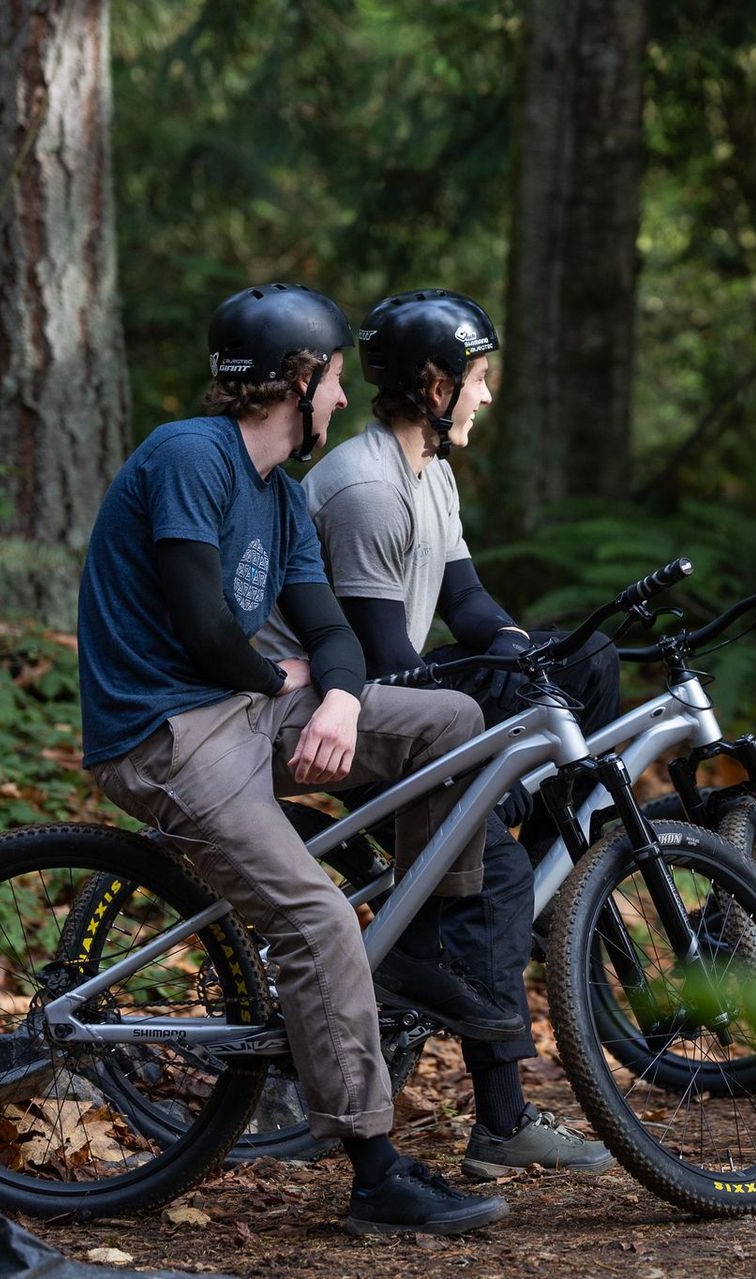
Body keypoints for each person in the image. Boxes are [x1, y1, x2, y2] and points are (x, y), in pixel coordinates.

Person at [77, 282, 516, 1235]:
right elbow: (201, 625)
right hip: (168, 732)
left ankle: (425, 942)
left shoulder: (279, 498)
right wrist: (285, 686)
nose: (344, 401)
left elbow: (332, 632)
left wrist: (345, 697)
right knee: (317, 918)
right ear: (297, 378)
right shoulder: (189, 455)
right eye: (331, 382)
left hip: (244, 708)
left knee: (449, 717)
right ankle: (375, 1171)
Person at [260, 287, 618, 1180]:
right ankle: (499, 1117)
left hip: (392, 699)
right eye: (480, 377)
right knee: (493, 873)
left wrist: (528, 655)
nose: (488, 395)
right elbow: (386, 658)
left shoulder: (431, 471)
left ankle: (525, 853)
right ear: (434, 384)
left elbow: (465, 602)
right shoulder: (367, 488)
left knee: (592, 660)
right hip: (329, 722)